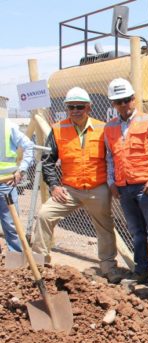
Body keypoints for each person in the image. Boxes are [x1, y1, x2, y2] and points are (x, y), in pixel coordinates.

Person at [32, 87, 122, 283]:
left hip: (97, 187)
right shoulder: (58, 129)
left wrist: (113, 183)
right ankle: (39, 263)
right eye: (71, 107)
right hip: (69, 189)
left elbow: (113, 158)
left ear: (89, 107)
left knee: (104, 227)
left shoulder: (102, 128)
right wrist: (54, 186)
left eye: (79, 106)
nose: (75, 110)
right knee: (44, 215)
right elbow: (47, 160)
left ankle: (108, 267)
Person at [104, 78, 148, 292]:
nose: (123, 105)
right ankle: (142, 271)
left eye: (126, 100)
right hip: (124, 187)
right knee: (137, 232)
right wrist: (112, 182)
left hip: (145, 186)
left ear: (133, 98)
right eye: (118, 101)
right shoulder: (110, 127)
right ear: (113, 103)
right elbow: (110, 157)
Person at [0, 117, 34, 253]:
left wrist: (21, 170)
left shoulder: (7, 126)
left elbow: (29, 146)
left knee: (11, 225)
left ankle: (16, 259)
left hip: (6, 184)